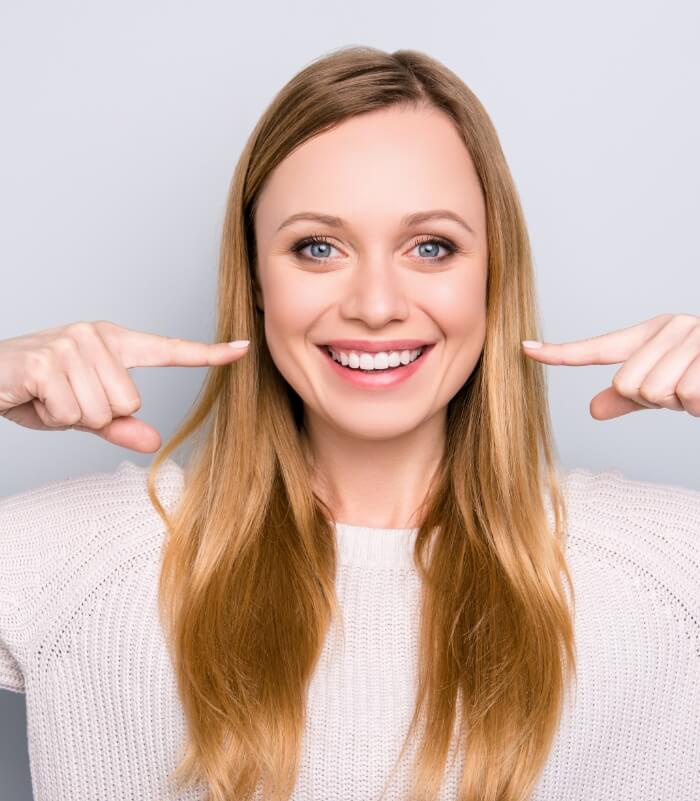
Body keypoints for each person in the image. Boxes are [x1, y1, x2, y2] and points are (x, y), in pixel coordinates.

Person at [1, 45, 699, 801]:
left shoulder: (667, 572)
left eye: (431, 247)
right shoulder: (78, 560)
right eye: (317, 247)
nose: (374, 303)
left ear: (495, 275)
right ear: (258, 280)